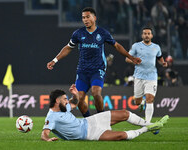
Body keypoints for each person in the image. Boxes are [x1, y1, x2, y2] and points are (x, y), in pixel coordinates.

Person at [47, 7, 141, 117]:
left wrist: (131, 57)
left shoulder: (102, 33)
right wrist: (55, 60)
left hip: (97, 69)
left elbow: (117, 46)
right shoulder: (78, 34)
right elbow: (68, 47)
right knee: (79, 99)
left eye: (88, 17)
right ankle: (89, 121)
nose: (85, 20)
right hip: (82, 71)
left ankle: (101, 119)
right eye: (83, 18)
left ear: (94, 17)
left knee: (96, 93)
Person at [41, 84, 169, 141]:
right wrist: (47, 140)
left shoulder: (64, 107)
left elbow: (74, 102)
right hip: (89, 134)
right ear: (57, 101)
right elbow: (44, 134)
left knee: (124, 113)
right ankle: (148, 128)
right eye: (64, 99)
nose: (67, 101)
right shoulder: (51, 117)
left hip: (90, 121)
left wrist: (75, 95)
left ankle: (149, 124)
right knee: (122, 136)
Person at [125, 27, 168, 125]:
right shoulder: (136, 46)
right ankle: (142, 102)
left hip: (152, 77)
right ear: (142, 35)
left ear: (152, 35)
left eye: (148, 33)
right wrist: (134, 60)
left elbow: (159, 58)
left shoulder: (156, 47)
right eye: (145, 33)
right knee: (137, 102)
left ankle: (147, 123)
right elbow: (127, 59)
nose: (147, 35)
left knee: (150, 98)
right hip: (139, 76)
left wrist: (163, 63)